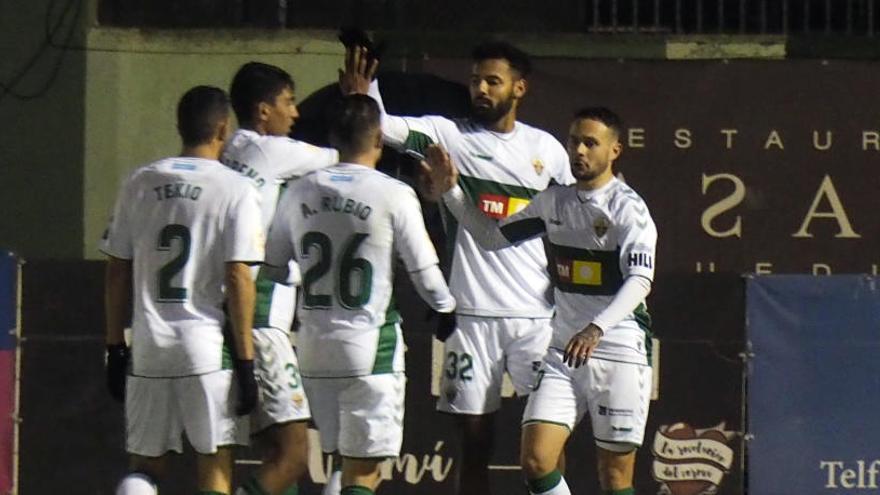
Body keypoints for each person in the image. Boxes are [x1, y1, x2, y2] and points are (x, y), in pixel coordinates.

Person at [339, 40, 575, 495]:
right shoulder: (449, 136)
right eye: (475, 81)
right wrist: (364, 95)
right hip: (471, 317)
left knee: (545, 440)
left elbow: (575, 216)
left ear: (518, 88)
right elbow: (383, 129)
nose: (481, 89)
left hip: (535, 318)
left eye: (493, 81)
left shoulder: (546, 150)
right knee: (473, 443)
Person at [423, 107, 657, 495]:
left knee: (615, 477)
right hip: (565, 351)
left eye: (591, 143)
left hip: (617, 349)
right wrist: (450, 192)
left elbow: (640, 280)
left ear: (615, 150)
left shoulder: (628, 209)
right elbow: (492, 237)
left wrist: (597, 327)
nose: (579, 150)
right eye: (574, 141)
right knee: (536, 461)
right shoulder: (553, 202)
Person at [262, 94, 456, 495]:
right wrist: (445, 307)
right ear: (379, 139)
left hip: (314, 350)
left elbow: (275, 266)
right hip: (370, 348)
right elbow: (423, 269)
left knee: (339, 461)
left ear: (334, 139)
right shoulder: (392, 193)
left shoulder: (298, 190)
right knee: (363, 472)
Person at [102, 85, 263, 495]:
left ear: (181, 127)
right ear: (223, 129)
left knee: (145, 466)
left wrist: (115, 347)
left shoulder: (139, 182)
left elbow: (117, 271)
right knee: (214, 462)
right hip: (205, 347)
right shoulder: (235, 188)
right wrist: (245, 362)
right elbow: (238, 277)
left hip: (149, 346)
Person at [221, 61, 340, 495]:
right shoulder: (271, 151)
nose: (295, 114)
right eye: (288, 103)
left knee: (268, 451)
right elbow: (351, 155)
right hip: (262, 315)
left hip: (227, 313)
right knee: (293, 455)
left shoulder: (230, 148)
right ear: (262, 111)